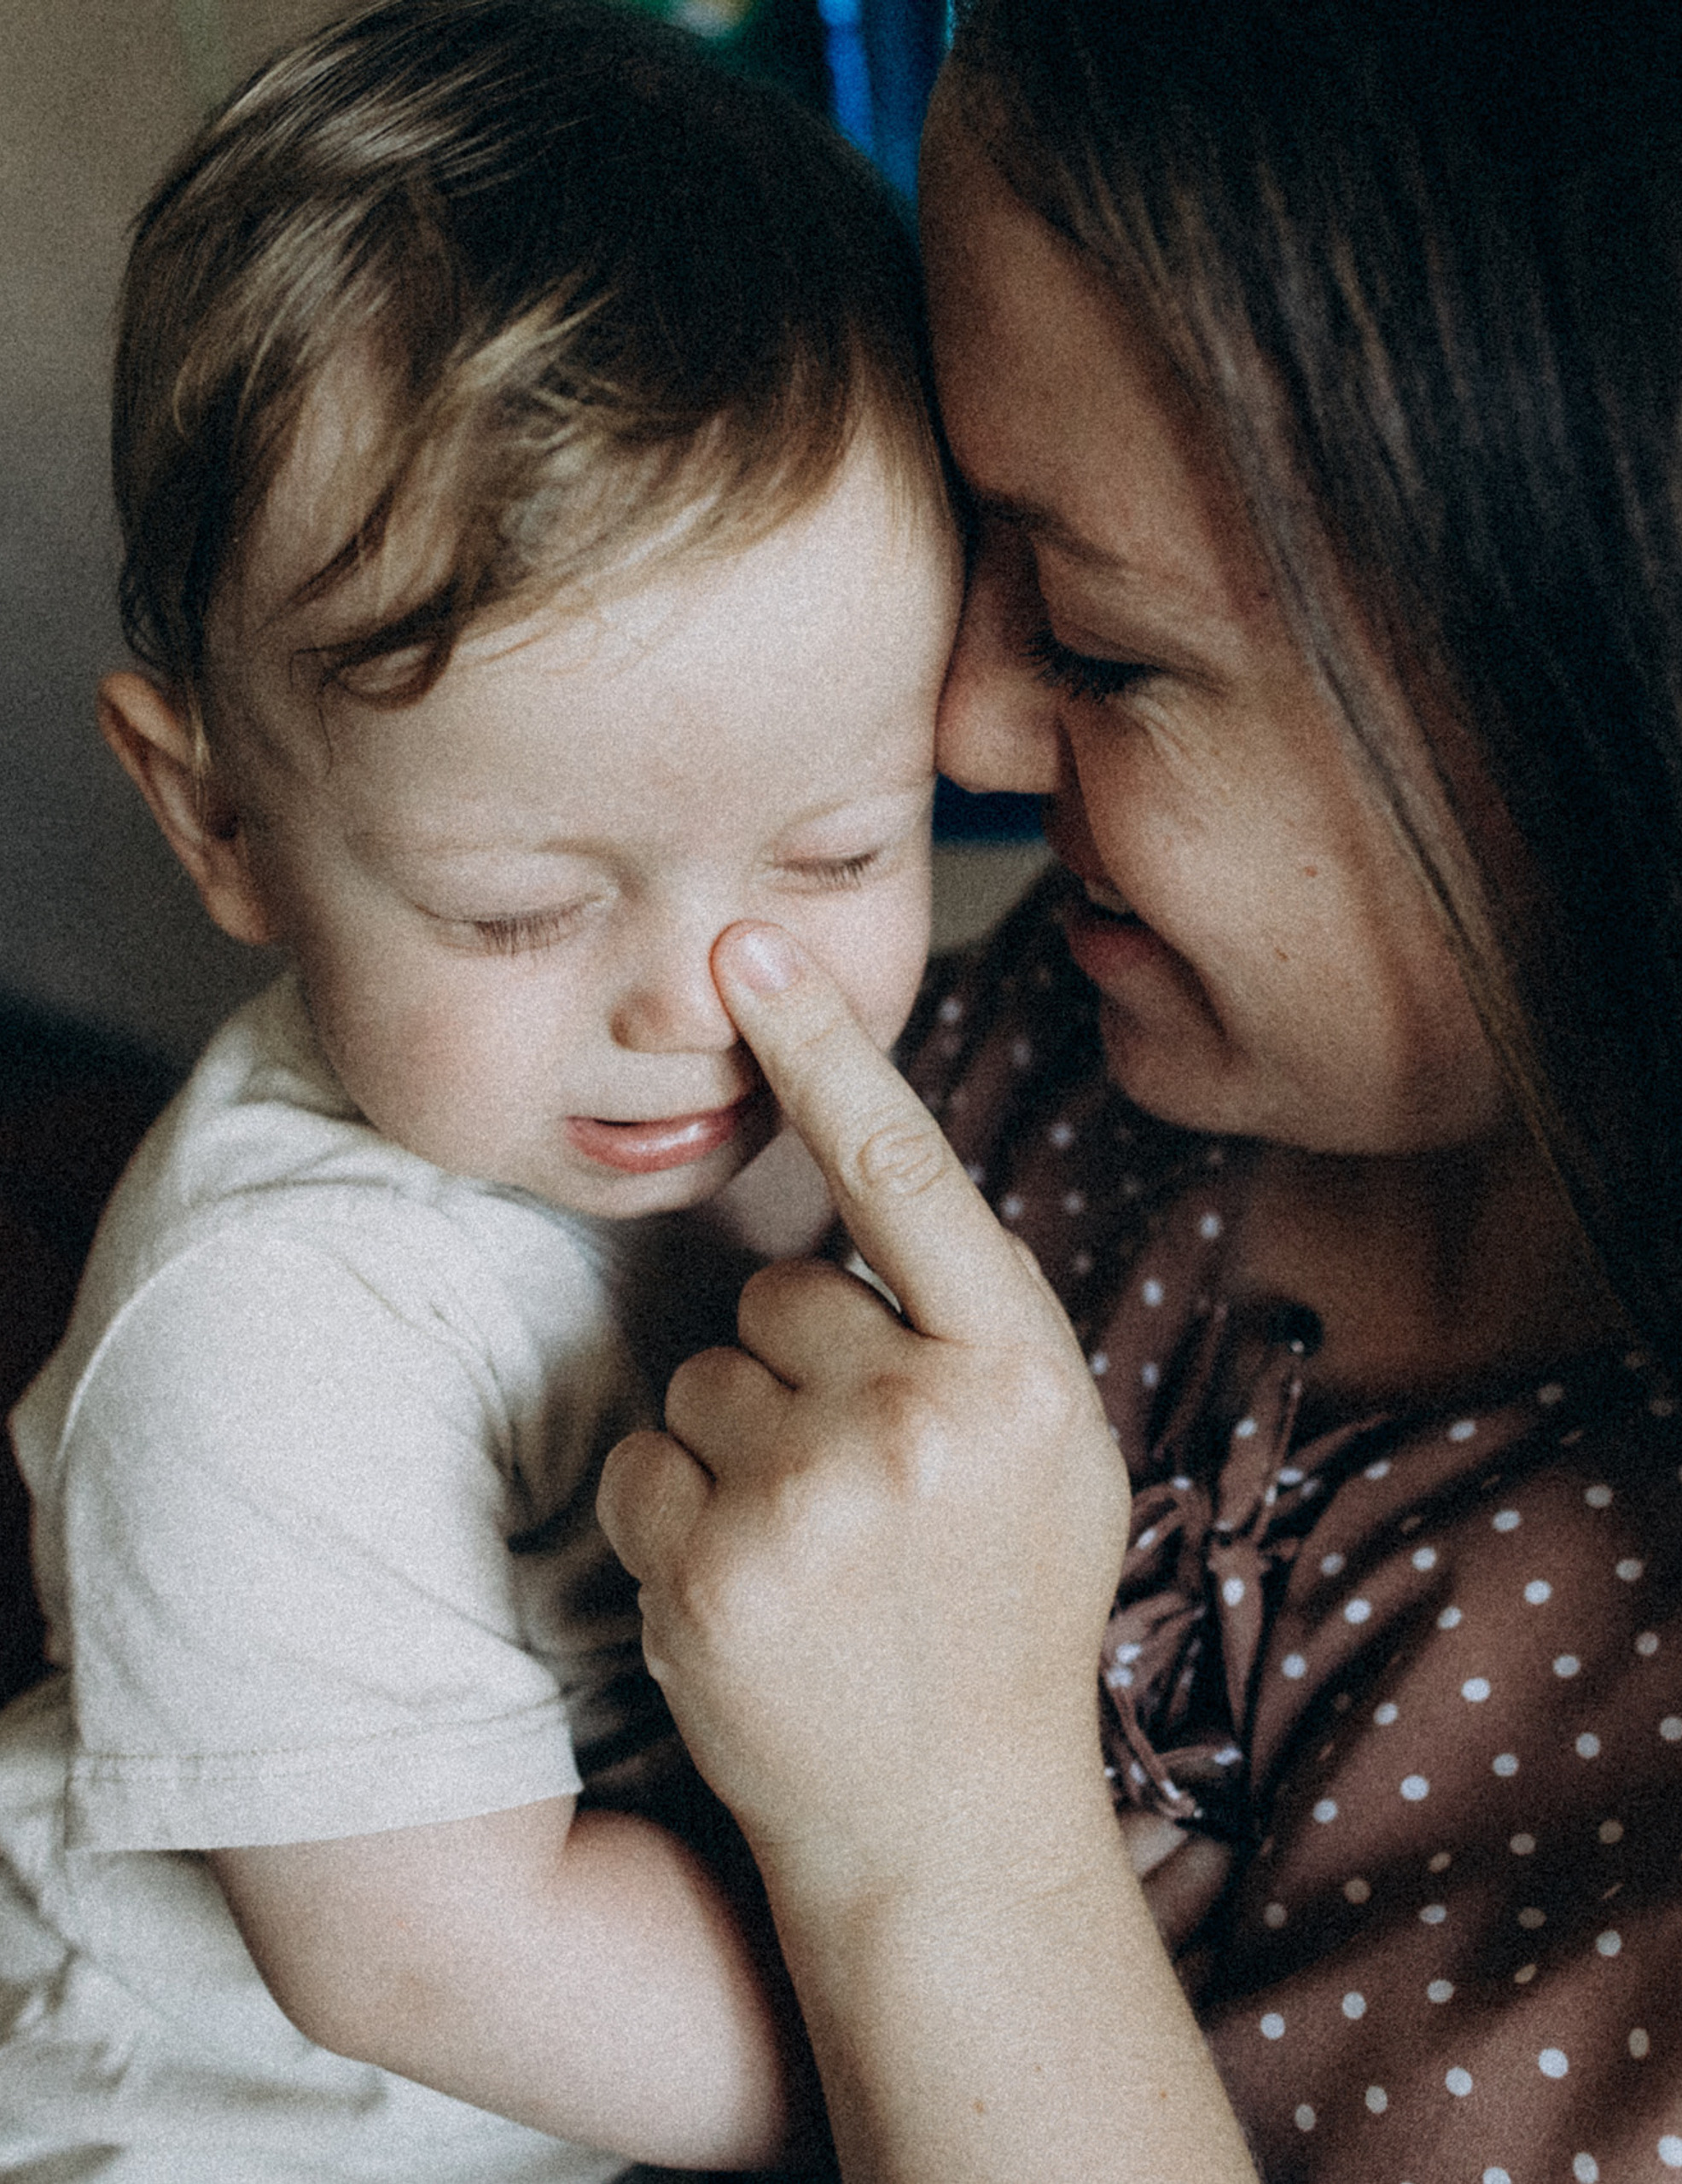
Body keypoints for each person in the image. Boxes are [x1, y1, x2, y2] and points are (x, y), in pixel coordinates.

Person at [599, 1, 1682, 2179]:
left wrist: (949, 1863)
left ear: (1651, 708)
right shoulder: (1077, 1061)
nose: (958, 728)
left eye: (1102, 636)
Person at [0, 3, 953, 2176]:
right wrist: (939, 2036)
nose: (701, 1001)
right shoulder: (262, 1336)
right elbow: (425, 1957)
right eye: (518, 907)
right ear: (218, 813)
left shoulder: (719, 1111)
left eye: (837, 852)